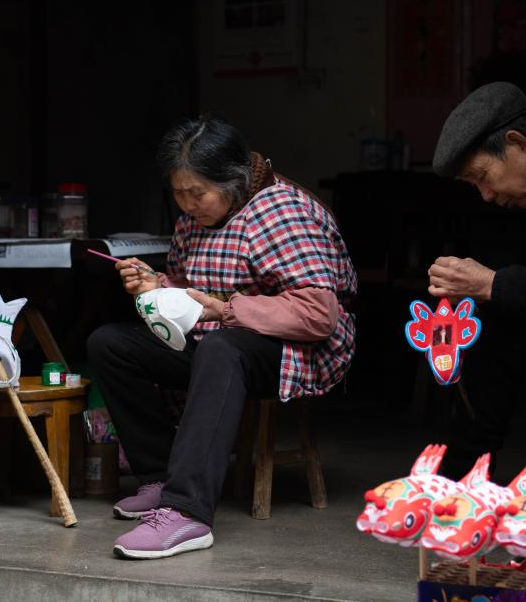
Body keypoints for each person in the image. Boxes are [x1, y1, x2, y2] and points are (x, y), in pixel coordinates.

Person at [87, 115, 357, 559]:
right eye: (178, 192)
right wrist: (157, 285)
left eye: (197, 193)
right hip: (219, 337)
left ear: (232, 181)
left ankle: (187, 511)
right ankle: (160, 476)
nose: (187, 204)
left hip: (294, 347)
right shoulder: (193, 220)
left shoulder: (281, 214)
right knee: (110, 344)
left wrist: (228, 310)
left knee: (221, 347)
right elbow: (189, 286)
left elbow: (317, 315)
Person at [427, 81, 526, 495]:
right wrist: (471, 288)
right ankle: (459, 482)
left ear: (518, 143)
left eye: (482, 177)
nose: (487, 195)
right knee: (482, 321)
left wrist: (494, 283)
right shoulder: (523, 191)